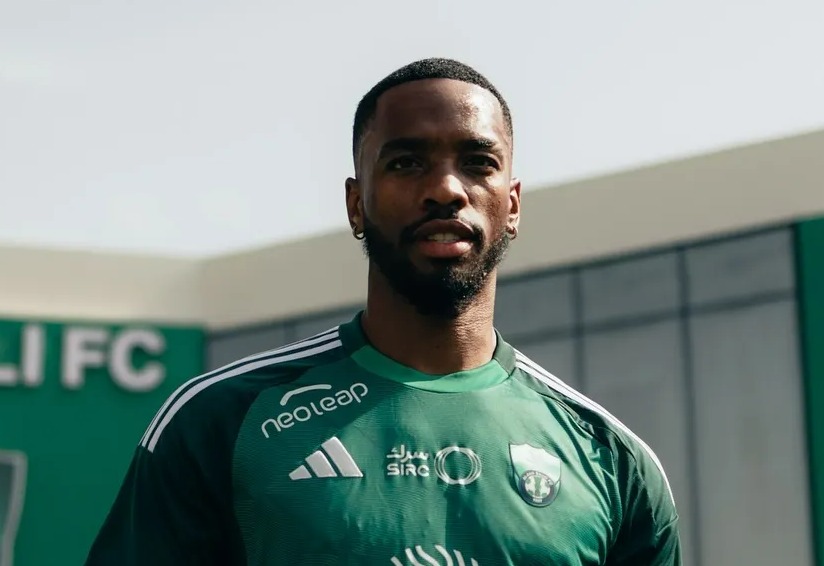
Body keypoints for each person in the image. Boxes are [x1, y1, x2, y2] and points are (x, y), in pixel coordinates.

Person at [85, 57, 681, 565]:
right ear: (355, 204)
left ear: (513, 203)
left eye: (478, 163)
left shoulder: (611, 459)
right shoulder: (219, 423)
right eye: (406, 163)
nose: (447, 189)